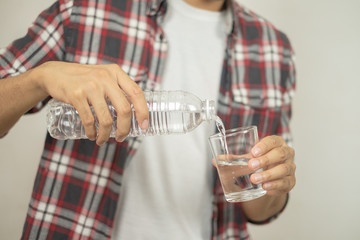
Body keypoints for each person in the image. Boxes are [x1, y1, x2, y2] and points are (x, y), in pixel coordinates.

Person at [0, 0, 296, 239]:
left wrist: (270, 180)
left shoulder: (273, 47)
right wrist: (41, 77)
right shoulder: (86, 9)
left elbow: (262, 210)